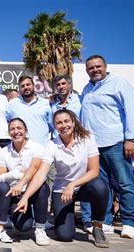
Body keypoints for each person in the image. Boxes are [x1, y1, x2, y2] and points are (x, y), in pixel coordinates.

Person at [16, 109, 110, 248]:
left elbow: (94, 171)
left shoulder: (88, 138)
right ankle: (67, 219)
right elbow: (41, 174)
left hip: (83, 186)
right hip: (61, 191)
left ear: (73, 122)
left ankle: (97, 226)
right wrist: (25, 197)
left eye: (66, 121)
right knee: (65, 236)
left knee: (100, 187)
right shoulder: (52, 145)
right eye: (58, 123)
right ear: (54, 126)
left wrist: (73, 184)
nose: (63, 125)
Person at [80, 54, 134, 239]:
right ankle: (105, 221)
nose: (95, 70)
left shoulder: (119, 84)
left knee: (125, 183)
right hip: (94, 146)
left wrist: (130, 138)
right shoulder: (87, 89)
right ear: (87, 71)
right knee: (102, 186)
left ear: (105, 66)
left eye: (98, 66)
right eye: (91, 68)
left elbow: (132, 111)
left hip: (116, 142)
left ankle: (129, 223)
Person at [0, 118, 50, 246]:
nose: (16, 131)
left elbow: (35, 168)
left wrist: (20, 182)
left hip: (33, 191)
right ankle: (9, 223)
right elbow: (0, 176)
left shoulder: (37, 147)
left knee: (43, 187)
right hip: (15, 194)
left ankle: (40, 228)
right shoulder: (4, 152)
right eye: (12, 129)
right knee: (24, 227)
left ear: (25, 130)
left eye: (19, 128)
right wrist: (15, 173)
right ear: (9, 133)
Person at [51, 74, 91, 233]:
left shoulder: (80, 100)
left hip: (79, 144)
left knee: (90, 181)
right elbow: (50, 123)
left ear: (69, 84)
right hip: (60, 146)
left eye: (63, 83)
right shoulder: (53, 104)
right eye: (58, 84)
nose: (61, 86)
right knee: (59, 178)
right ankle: (61, 216)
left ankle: (89, 220)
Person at [5, 76, 52, 146]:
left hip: (42, 147)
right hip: (21, 148)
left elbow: (51, 125)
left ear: (33, 85)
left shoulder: (45, 103)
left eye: (28, 84)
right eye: (22, 86)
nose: (26, 87)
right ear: (19, 89)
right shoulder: (12, 104)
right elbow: (8, 122)